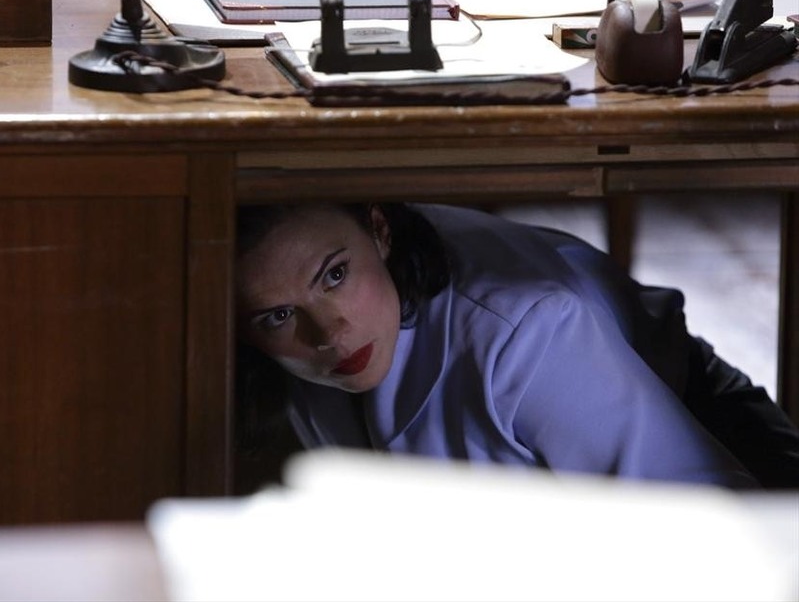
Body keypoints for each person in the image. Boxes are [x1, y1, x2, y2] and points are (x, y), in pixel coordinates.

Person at [235, 202, 799, 489]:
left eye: (335, 276)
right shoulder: (285, 335)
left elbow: (709, 525)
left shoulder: (528, 329)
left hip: (695, 418)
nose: (327, 332)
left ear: (380, 231)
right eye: (279, 315)